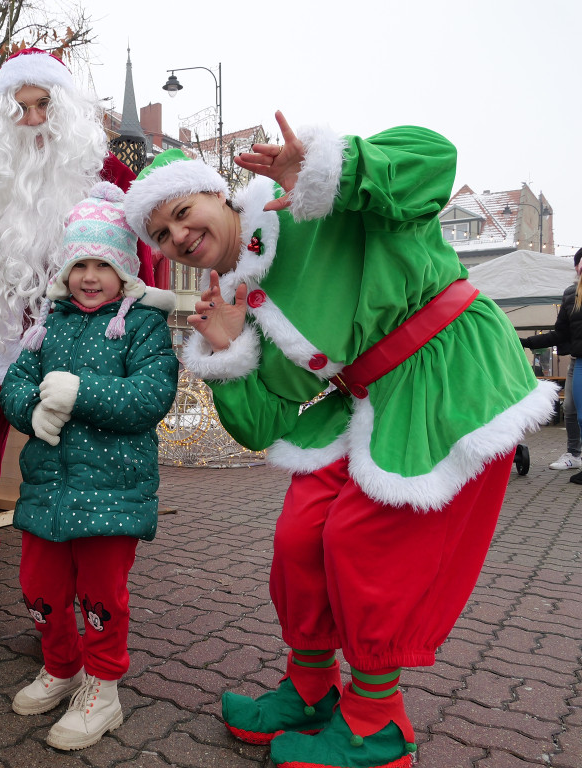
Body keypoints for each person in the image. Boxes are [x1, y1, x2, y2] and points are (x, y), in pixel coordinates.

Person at [123, 113, 557, 768]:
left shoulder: (302, 198)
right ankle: (309, 687)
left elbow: (433, 162)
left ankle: (376, 724)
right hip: (366, 397)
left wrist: (336, 170)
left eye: (183, 212)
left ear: (217, 194)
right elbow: (263, 423)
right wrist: (230, 349)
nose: (179, 236)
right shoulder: (235, 296)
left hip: (443, 373)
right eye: (161, 234)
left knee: (361, 539)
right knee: (299, 533)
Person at [0, 48, 156, 635]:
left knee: (71, 467)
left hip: (71, 342)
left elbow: (142, 258)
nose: (31, 121)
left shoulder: (110, 177)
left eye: (42, 105)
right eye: (18, 109)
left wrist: (132, 327)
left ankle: (65, 602)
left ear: (67, 108)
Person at [0, 182, 178, 750]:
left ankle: (104, 689)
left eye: (104, 263)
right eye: (80, 264)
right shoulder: (46, 321)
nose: (90, 276)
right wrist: (33, 412)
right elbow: (16, 382)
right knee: (39, 588)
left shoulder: (143, 324)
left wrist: (81, 393)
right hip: (47, 486)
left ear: (124, 269)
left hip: (112, 490)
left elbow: (152, 395)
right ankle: (62, 666)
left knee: (101, 596)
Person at [520, 247, 582, 474]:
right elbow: (560, 334)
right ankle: (574, 455)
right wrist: (525, 342)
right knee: (570, 409)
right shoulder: (570, 295)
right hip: (577, 361)